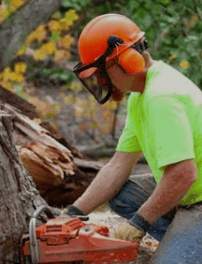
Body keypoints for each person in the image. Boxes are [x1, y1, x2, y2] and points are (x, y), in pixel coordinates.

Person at [63, 13, 202, 263]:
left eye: (101, 74)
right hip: (190, 195)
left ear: (126, 60)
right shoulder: (140, 94)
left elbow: (184, 173)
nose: (100, 82)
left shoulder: (161, 97)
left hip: (197, 198)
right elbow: (118, 165)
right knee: (124, 194)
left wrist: (140, 222)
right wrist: (73, 213)